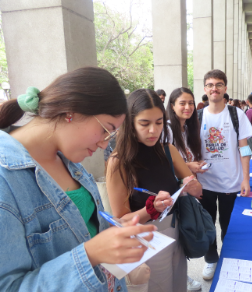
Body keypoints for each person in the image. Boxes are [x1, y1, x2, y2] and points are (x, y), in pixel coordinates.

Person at [0, 67, 157, 291]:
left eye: (111, 136)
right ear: (71, 111)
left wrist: (114, 231)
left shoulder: (68, 159)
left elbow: (84, 229)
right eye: (106, 129)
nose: (104, 143)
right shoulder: (5, 178)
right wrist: (90, 254)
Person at [106, 89, 203, 292]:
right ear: (130, 123)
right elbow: (121, 220)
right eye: (144, 124)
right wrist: (150, 209)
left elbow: (196, 188)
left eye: (159, 123)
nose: (153, 130)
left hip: (176, 234)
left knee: (177, 286)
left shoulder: (169, 150)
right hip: (146, 241)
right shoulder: (119, 162)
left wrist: (193, 187)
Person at [197, 69, 252, 280]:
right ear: (205, 89)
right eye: (210, 85)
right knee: (207, 224)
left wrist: (246, 178)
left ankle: (229, 258)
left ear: (225, 88)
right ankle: (211, 259)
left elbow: (244, 148)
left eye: (219, 84)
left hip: (231, 182)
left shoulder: (236, 114)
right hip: (204, 183)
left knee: (229, 225)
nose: (215, 88)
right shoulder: (198, 116)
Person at [165, 87, 205, 291]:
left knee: (183, 234)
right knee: (176, 236)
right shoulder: (168, 129)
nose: (188, 107)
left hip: (186, 189)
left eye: (191, 102)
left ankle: (182, 276)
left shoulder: (187, 128)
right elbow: (164, 162)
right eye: (182, 103)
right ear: (172, 106)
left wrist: (194, 164)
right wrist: (188, 166)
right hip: (175, 192)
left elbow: (184, 158)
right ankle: (180, 278)